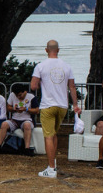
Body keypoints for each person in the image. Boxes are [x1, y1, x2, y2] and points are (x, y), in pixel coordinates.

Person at [30, 40, 81, 178]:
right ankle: (54, 163)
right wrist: (75, 105)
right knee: (54, 134)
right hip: (62, 105)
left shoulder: (40, 66)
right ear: (58, 50)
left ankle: (51, 168)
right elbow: (72, 87)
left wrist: (41, 83)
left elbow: (33, 86)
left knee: (48, 136)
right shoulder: (67, 66)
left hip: (48, 104)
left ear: (46, 50)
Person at [0, 84, 39, 156]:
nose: (18, 97)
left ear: (25, 92)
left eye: (20, 95)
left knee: (27, 125)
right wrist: (14, 109)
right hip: (15, 119)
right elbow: (8, 107)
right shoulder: (12, 95)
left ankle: (27, 148)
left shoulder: (31, 97)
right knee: (4, 124)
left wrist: (26, 109)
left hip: (27, 119)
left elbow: (36, 111)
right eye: (16, 95)